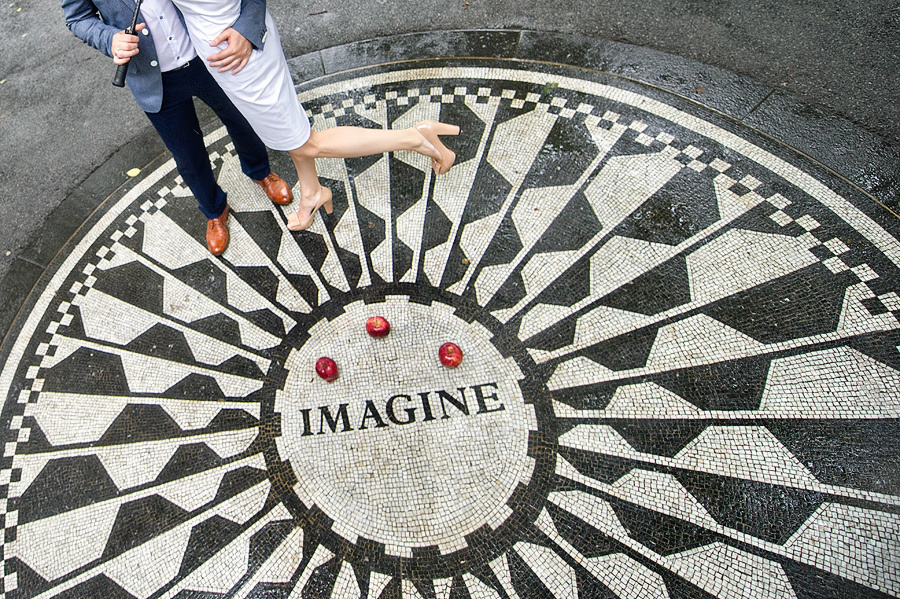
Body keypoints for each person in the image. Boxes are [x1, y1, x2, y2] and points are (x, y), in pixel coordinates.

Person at [166, 0, 460, 231]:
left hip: (239, 57)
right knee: (293, 130)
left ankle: (415, 138)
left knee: (305, 143)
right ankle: (312, 193)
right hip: (230, 54)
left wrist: (246, 27)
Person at [62, 0, 294, 254]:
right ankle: (214, 210)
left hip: (208, 56)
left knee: (241, 122)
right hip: (152, 78)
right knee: (187, 154)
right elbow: (78, 18)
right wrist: (110, 39)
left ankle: (260, 171)